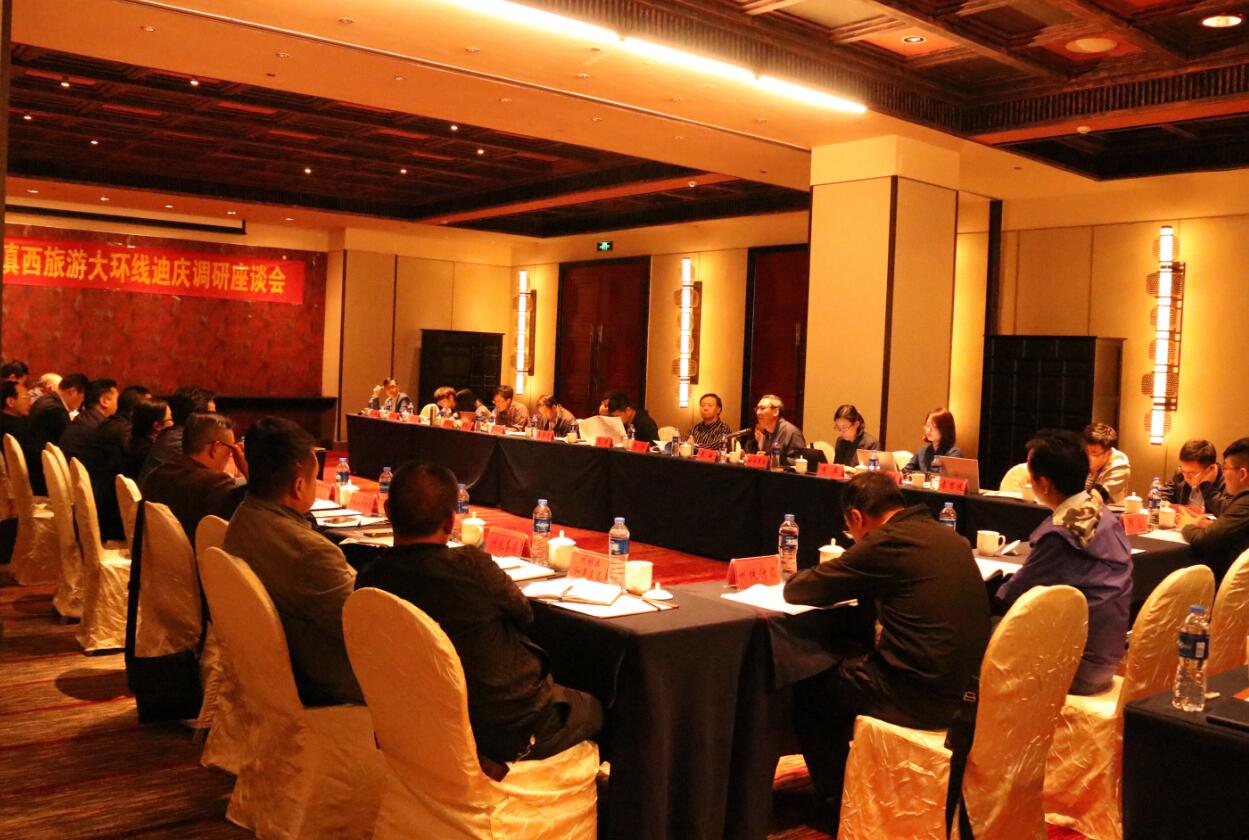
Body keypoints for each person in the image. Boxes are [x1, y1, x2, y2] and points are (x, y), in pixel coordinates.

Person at [356, 463, 603, 764]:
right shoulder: (471, 568)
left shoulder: (369, 579)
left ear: (387, 511)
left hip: (421, 723)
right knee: (600, 705)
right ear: (450, 521)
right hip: (504, 730)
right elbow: (525, 615)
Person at [783, 472, 990, 831]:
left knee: (811, 686)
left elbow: (798, 590)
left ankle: (837, 805)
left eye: (850, 529)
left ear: (856, 517)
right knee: (852, 659)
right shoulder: (948, 536)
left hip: (921, 697)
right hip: (970, 696)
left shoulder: (886, 541)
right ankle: (869, 778)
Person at [223, 417, 362, 705]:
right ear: (299, 486)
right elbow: (366, 630)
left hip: (273, 671)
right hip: (329, 681)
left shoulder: (242, 518)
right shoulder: (311, 553)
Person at [995, 431, 1132, 695]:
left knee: (981, 629)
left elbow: (1012, 597)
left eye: (1030, 475)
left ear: (1044, 484)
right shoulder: (1101, 512)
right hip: (1107, 657)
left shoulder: (1062, 532)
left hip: (1077, 668)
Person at [142, 413, 248, 544]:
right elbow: (250, 522)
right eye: (231, 449)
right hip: (200, 557)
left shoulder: (156, 475)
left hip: (159, 554)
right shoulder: (216, 484)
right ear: (215, 448)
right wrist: (249, 472)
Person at [1182, 437, 1249, 580]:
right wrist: (1213, 525)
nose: (1223, 473)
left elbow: (1203, 541)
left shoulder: (1246, 502)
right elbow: (1231, 513)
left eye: (1225, 468)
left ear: (1243, 474)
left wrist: (1187, 525)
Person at [28, 372, 89, 495]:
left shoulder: (45, 400)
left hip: (34, 464)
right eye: (83, 398)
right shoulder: (55, 410)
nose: (81, 403)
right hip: (43, 475)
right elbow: (68, 445)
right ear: (72, 391)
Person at [140, 387, 215, 482]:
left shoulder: (175, 435)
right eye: (213, 415)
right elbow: (209, 477)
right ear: (198, 418)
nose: (216, 420)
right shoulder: (180, 442)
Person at [59, 378, 120, 465]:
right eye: (117, 399)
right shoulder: (101, 427)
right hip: (78, 472)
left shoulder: (83, 418)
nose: (119, 403)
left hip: (70, 469)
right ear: (105, 401)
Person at [1166, 438, 1227, 514]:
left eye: (1192, 474)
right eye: (1183, 471)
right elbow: (1165, 493)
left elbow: (1227, 513)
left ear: (1211, 468)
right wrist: (1164, 503)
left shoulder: (1227, 482)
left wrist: (1206, 486)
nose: (1186, 477)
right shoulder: (1181, 473)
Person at [743, 394, 806, 461]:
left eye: (762, 408)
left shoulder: (792, 432)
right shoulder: (767, 433)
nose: (758, 412)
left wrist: (772, 459)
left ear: (775, 412)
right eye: (757, 409)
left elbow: (800, 461)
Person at [1083, 422, 1131, 504]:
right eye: (1087, 451)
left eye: (1094, 453)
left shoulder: (1120, 468)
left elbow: (1096, 498)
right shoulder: (1085, 456)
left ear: (1108, 454)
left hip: (1108, 510)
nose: (1089, 457)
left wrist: (1093, 472)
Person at [903, 408, 961, 473]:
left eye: (934, 427)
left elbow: (950, 476)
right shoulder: (922, 451)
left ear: (945, 429)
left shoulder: (953, 453)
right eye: (927, 426)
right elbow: (906, 470)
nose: (928, 430)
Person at [125, 399, 171, 479]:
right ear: (157, 426)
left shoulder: (130, 440)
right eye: (170, 419)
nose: (173, 423)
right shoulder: (150, 453)